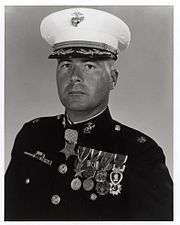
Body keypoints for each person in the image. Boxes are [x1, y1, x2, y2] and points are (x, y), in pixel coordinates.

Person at [5, 7, 173, 221]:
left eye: (89, 66)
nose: (74, 77)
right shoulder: (32, 134)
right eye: (66, 65)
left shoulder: (141, 153)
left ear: (113, 79)